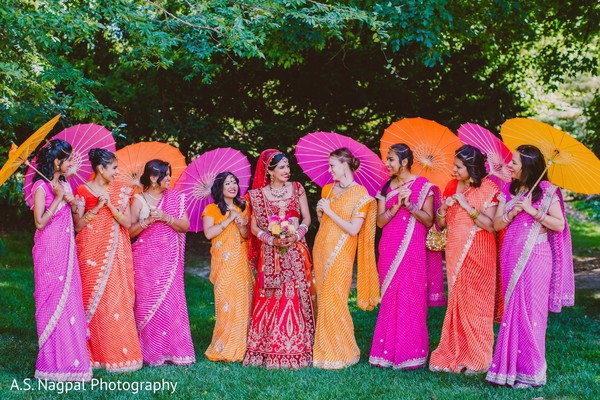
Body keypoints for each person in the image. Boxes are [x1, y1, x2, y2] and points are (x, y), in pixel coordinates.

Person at [486, 145, 573, 388]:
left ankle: (531, 372)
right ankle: (507, 370)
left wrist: (532, 211)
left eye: (514, 162)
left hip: (536, 257)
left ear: (529, 167)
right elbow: (496, 224)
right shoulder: (509, 188)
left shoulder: (546, 191)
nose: (510, 165)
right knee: (512, 311)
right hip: (511, 255)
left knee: (532, 313)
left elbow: (558, 224)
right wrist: (510, 215)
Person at [369, 144, 446, 370]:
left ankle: (410, 354)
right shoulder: (385, 187)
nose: (387, 163)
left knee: (410, 296)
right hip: (389, 248)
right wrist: (396, 207)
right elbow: (380, 222)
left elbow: (429, 220)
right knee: (390, 296)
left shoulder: (424, 187)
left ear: (403, 162)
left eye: (391, 159)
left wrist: (411, 205)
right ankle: (385, 353)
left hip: (413, 249)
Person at [429, 144, 500, 374]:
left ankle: (478, 359)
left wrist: (467, 206)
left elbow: (490, 226)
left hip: (480, 252)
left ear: (471, 167)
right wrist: (444, 207)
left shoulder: (489, 188)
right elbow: (440, 223)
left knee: (477, 304)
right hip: (454, 251)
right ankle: (454, 353)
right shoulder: (451, 186)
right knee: (457, 303)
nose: (454, 170)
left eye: (458, 166)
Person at [243, 149, 315, 369]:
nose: (287, 170)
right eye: (282, 167)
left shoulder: (297, 188)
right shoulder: (256, 195)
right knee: (271, 296)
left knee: (294, 293)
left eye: (287, 166)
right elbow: (254, 227)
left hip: (296, 250)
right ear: (269, 171)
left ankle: (300, 347)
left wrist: (296, 235)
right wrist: (271, 240)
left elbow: (307, 218)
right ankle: (267, 348)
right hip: (270, 252)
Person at [74, 148, 142, 372]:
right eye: (113, 168)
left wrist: (110, 205)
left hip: (115, 250)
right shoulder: (82, 190)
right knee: (90, 297)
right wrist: (95, 207)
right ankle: (91, 355)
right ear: (100, 168)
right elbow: (78, 226)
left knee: (115, 297)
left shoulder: (122, 191)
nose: (116, 172)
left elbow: (128, 223)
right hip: (90, 249)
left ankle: (117, 354)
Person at [312, 147, 380, 369]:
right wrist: (321, 213)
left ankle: (342, 350)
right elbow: (325, 223)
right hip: (321, 248)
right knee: (322, 298)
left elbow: (353, 229)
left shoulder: (361, 195)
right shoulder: (328, 190)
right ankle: (322, 349)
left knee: (336, 298)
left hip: (342, 252)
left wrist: (330, 212)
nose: (329, 169)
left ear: (345, 165)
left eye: (332, 165)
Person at [30, 139, 92, 381]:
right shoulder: (40, 187)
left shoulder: (65, 184)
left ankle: (71, 360)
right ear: (56, 161)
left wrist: (74, 204)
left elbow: (73, 220)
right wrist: (57, 198)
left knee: (70, 300)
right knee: (52, 300)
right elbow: (39, 223)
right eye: (68, 159)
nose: (70, 164)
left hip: (67, 250)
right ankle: (49, 363)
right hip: (48, 250)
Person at [129, 159, 195, 366]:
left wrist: (166, 217)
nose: (169, 178)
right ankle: (150, 353)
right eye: (165, 175)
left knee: (170, 304)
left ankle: (174, 351)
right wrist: (147, 221)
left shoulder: (175, 198)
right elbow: (129, 232)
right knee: (146, 305)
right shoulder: (138, 200)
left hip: (169, 259)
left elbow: (185, 226)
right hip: (144, 260)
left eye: (169, 174)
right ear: (153, 177)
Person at [202, 171, 253, 362]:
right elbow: (209, 234)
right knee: (225, 300)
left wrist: (241, 225)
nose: (232, 186)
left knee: (243, 299)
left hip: (240, 260)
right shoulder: (212, 210)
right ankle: (223, 344)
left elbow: (247, 236)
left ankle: (243, 344)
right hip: (223, 262)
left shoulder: (244, 207)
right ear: (220, 188)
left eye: (234, 183)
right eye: (228, 183)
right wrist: (229, 220)